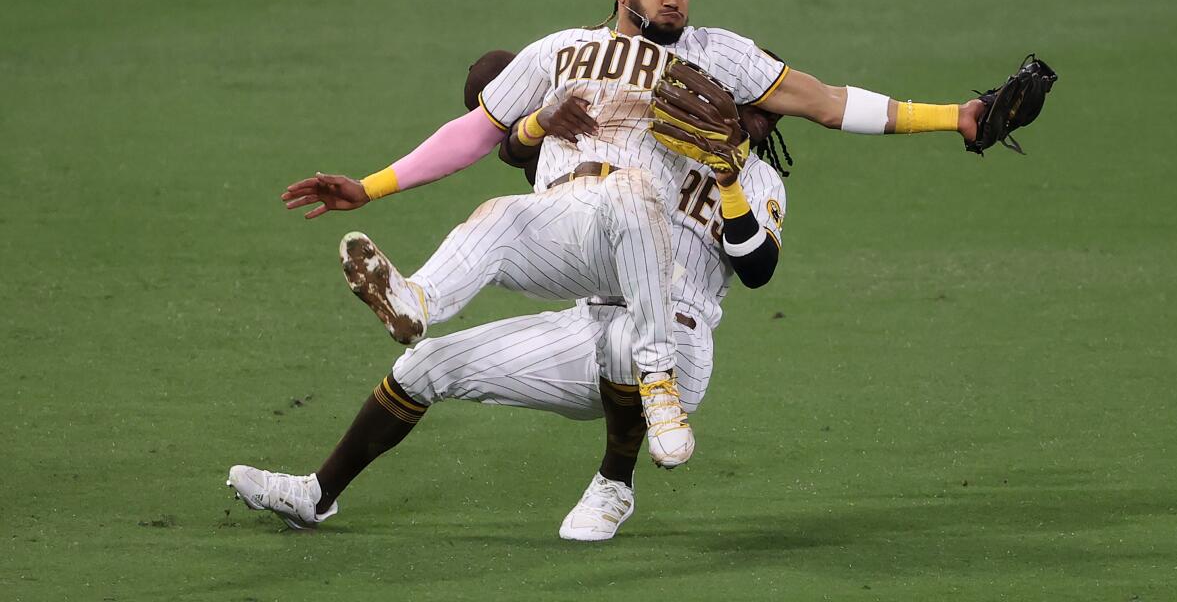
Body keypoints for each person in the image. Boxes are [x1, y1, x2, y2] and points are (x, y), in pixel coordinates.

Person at [277, 0, 984, 468]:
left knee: (629, 193)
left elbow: (829, 102)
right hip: (576, 239)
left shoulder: (718, 55)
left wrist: (955, 117)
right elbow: (473, 135)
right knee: (497, 216)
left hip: (651, 248)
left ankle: (642, 430)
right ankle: (416, 302)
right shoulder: (559, 52)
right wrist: (368, 189)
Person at [228, 54, 790, 539]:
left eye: (769, 107)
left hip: (678, 348)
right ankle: (316, 494)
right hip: (586, 330)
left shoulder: (762, 183)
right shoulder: (641, 137)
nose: (755, 113)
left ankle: (615, 484)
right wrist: (519, 110)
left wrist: (728, 176)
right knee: (427, 363)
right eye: (748, 97)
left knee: (627, 338)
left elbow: (759, 268)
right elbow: (515, 127)